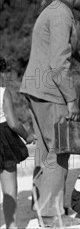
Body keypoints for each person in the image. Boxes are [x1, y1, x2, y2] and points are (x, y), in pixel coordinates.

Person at [20, 0, 80, 226]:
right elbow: (58, 63)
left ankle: (42, 210)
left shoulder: (54, 10)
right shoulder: (62, 16)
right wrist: (72, 99)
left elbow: (63, 50)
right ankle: (53, 217)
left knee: (44, 152)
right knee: (58, 153)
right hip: (51, 91)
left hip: (36, 88)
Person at [1, 57, 36, 229]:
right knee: (9, 186)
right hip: (3, 138)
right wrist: (28, 136)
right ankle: (11, 225)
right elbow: (13, 123)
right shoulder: (3, 92)